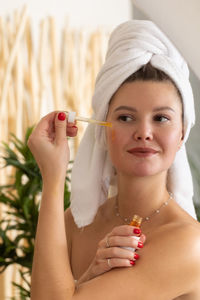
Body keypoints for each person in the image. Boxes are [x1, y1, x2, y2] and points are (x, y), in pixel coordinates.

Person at [28, 20, 200, 300]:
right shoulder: (76, 224)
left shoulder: (188, 242)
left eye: (161, 118)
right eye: (126, 117)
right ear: (102, 131)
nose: (144, 133)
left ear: (182, 133)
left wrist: (53, 177)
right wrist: (88, 279)